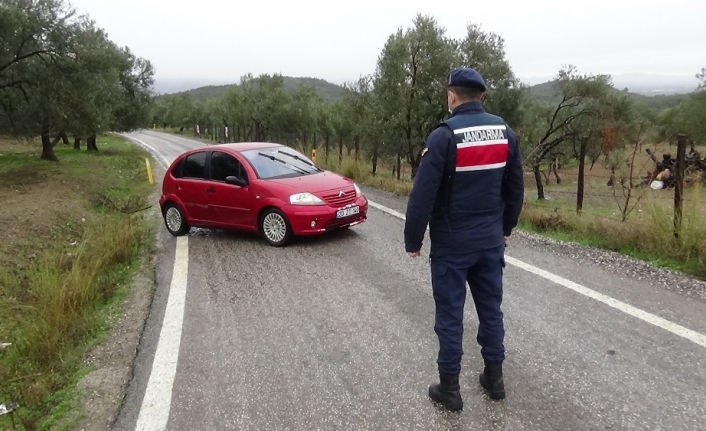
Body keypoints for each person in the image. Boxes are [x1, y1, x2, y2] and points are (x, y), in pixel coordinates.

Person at [403, 67, 524, 411]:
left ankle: (450, 389)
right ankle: (495, 380)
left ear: (451, 96)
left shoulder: (443, 137)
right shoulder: (505, 133)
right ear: (481, 96)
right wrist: (506, 228)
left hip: (452, 246)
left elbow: (422, 196)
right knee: (491, 310)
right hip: (489, 242)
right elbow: (515, 190)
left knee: (450, 316)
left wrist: (413, 240)